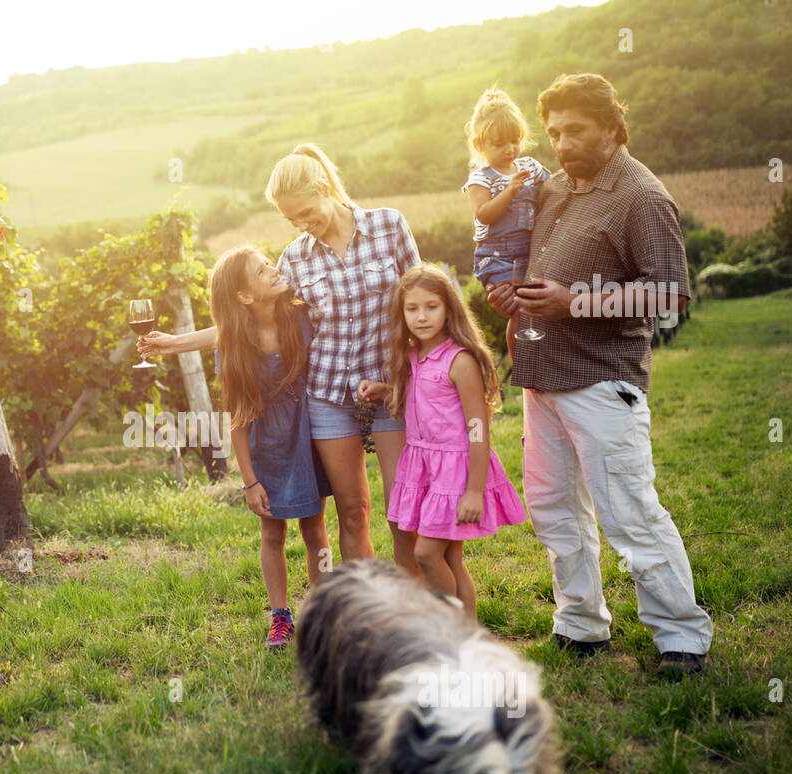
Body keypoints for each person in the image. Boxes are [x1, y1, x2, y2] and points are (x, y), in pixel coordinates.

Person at [486, 73, 713, 678]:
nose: (561, 143)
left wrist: (572, 302)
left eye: (576, 130)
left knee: (629, 513)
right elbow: (541, 267)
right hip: (541, 378)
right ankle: (581, 625)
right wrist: (518, 296)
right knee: (554, 508)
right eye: (554, 132)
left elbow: (671, 295)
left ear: (612, 127)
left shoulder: (642, 194)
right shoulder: (554, 188)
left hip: (601, 380)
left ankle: (682, 638)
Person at [142, 144, 423, 578]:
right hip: (328, 397)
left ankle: (416, 609)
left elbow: (422, 299)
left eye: (306, 212)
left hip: (391, 389)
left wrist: (438, 371)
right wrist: (177, 343)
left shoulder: (389, 226)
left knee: (403, 510)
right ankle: (368, 615)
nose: (301, 225)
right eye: (291, 219)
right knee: (353, 510)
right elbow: (252, 323)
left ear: (326, 188)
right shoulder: (296, 256)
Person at [357, 265, 527, 618]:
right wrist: (385, 391)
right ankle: (466, 632)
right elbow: (423, 398)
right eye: (412, 308)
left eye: (431, 307)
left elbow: (478, 428)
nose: (421, 316)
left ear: (449, 308)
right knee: (450, 556)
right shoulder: (413, 356)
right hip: (423, 466)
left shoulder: (459, 360)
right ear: (401, 314)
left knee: (425, 554)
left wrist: (475, 490)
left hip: (455, 470)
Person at [210, 246, 333, 649]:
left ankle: (319, 609)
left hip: (311, 432)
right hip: (270, 445)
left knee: (315, 527)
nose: (274, 269)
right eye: (262, 271)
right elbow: (239, 418)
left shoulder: (300, 315)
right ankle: (280, 616)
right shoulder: (232, 345)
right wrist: (249, 481)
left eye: (268, 263)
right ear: (244, 296)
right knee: (272, 532)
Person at [462, 88, 552, 290]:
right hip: (497, 256)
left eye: (514, 141)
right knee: (517, 302)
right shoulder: (480, 178)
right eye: (499, 144)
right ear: (479, 145)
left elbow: (554, 186)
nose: (510, 149)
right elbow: (483, 215)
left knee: (530, 301)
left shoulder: (529, 166)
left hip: (530, 250)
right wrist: (509, 192)